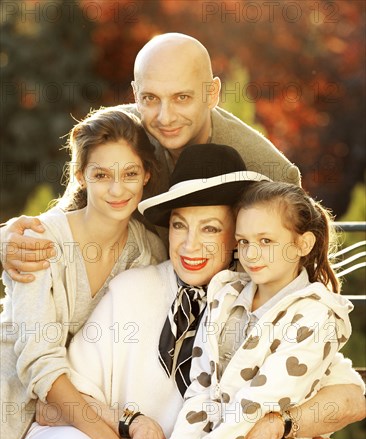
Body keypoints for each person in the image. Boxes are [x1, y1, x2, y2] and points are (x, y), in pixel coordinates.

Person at [50, 144, 363, 439]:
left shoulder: (294, 301)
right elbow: (57, 399)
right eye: (180, 226)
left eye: (212, 229)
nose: (190, 245)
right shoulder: (151, 292)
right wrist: (133, 424)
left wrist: (277, 424)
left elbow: (352, 399)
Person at [1, 32, 301, 282]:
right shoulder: (118, 138)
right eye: (150, 99)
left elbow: (299, 267)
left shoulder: (266, 169)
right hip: (130, 299)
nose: (165, 117)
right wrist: (11, 241)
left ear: (212, 93)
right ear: (135, 93)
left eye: (182, 98)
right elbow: (70, 214)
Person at [0, 106, 167, 439]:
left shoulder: (148, 250)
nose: (117, 189)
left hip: (76, 414)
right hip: (12, 403)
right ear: (79, 174)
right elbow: (39, 365)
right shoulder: (38, 244)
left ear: (147, 175)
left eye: (130, 173)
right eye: (101, 175)